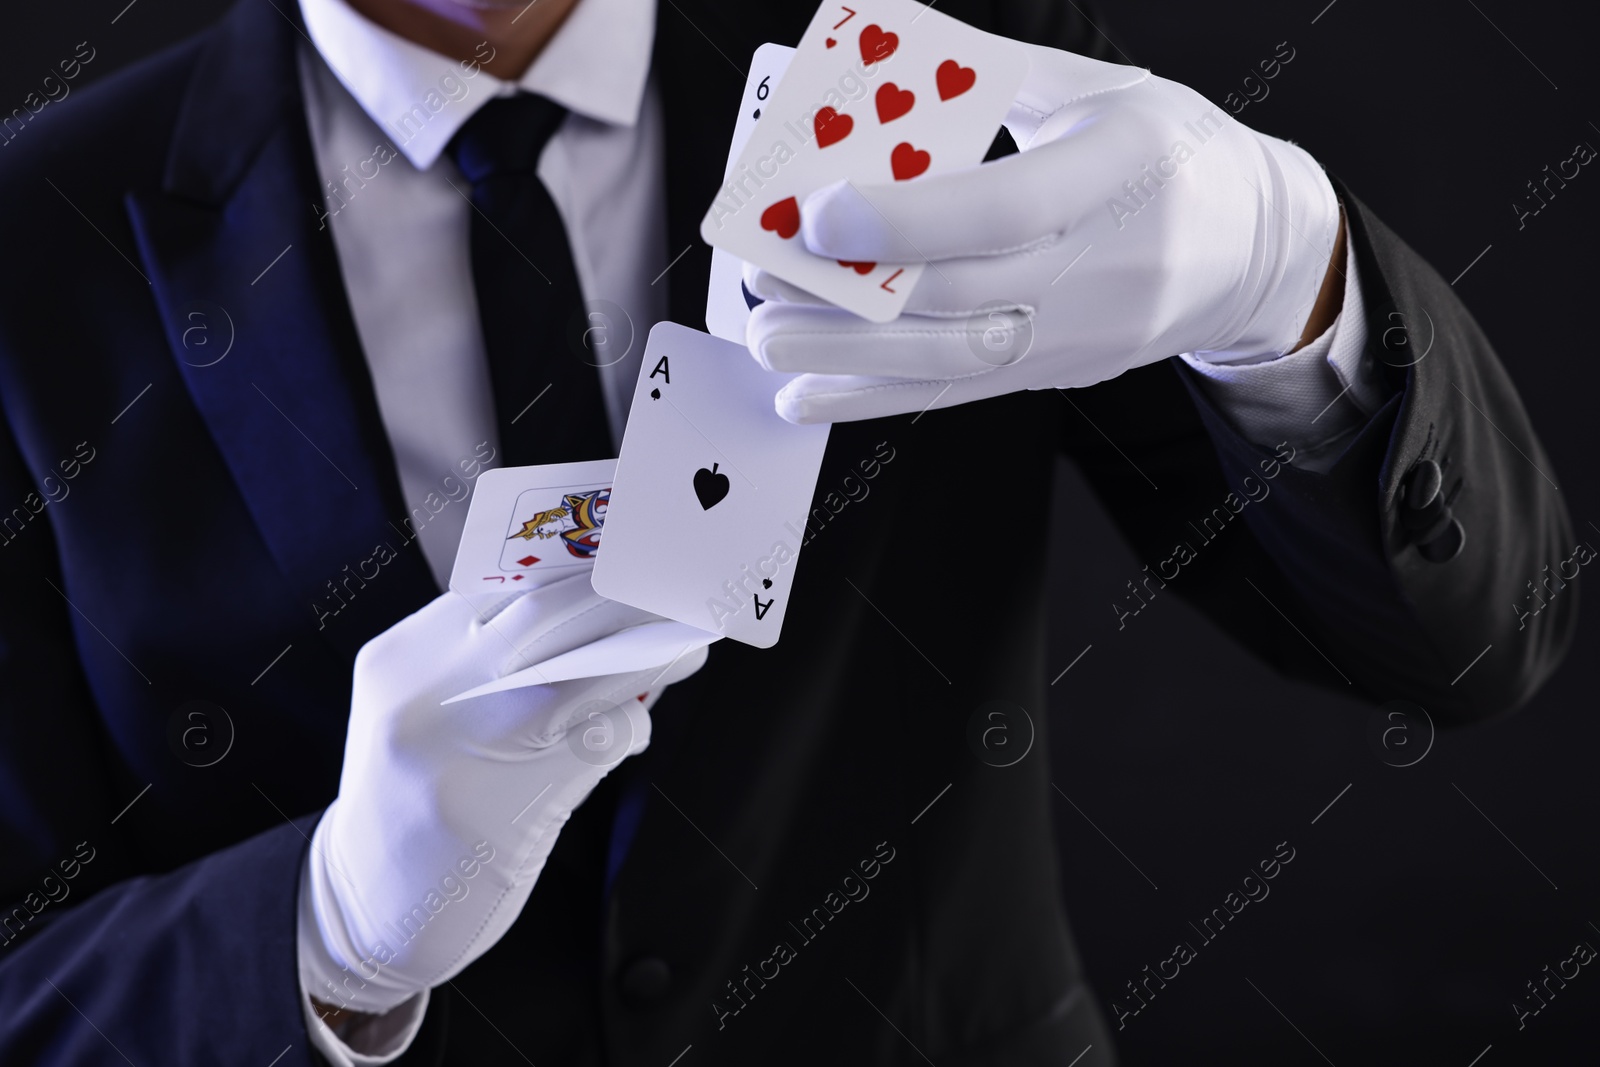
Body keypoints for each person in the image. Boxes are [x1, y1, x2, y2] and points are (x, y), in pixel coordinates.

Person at [0, 0, 1574, 1062]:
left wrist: (1285, 274)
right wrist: (325, 931)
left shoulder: (964, 65)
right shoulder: (34, 242)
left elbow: (1475, 642)